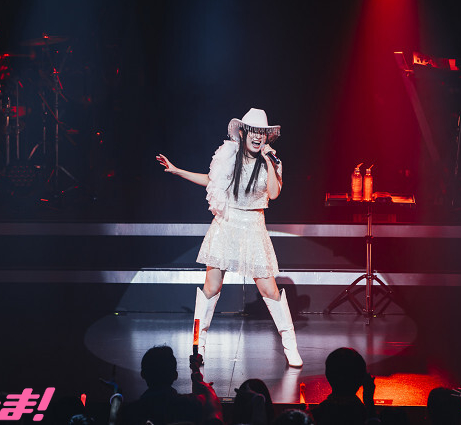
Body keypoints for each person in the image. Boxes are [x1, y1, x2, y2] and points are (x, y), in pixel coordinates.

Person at [156, 108, 302, 367]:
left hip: (254, 226)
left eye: (262, 133)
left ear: (267, 136)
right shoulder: (229, 154)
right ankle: (198, 345)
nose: (257, 137)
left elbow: (274, 193)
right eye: (253, 131)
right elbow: (211, 180)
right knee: (212, 287)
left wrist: (270, 161)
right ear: (243, 133)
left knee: (269, 289)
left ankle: (290, 346)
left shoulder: (272, 161)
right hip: (226, 223)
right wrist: (178, 171)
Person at [119, 345, 223, 425]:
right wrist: (207, 389)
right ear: (175, 375)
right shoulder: (190, 405)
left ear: (143, 374)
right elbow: (214, 416)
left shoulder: (129, 413)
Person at [310, 347, 378, 425]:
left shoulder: (316, 415)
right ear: (362, 378)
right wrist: (369, 403)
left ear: (328, 375)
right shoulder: (363, 415)